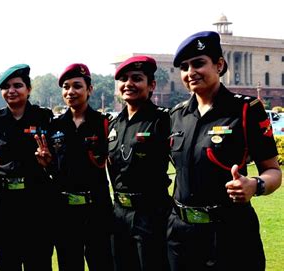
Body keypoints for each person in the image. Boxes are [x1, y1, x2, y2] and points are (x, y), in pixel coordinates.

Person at [168, 31, 282, 271]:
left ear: (219, 65)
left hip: (230, 234)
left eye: (199, 63)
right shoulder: (176, 116)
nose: (191, 72)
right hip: (181, 235)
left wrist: (255, 185)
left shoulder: (246, 110)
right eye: (185, 67)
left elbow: (273, 171)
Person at [0, 64, 54, 271]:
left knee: (38, 263)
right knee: (7, 263)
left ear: (29, 89)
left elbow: (58, 159)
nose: (11, 90)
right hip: (3, 205)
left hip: (36, 204)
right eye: (6, 86)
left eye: (17, 85)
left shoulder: (44, 118)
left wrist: (48, 160)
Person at [45, 63, 114, 270]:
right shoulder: (55, 126)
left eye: (77, 86)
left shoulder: (104, 123)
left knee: (102, 263)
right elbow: (54, 169)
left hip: (97, 209)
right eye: (66, 87)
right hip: (64, 212)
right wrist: (46, 163)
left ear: (89, 89)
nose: (70, 92)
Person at [107, 56, 172, 271]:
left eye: (137, 78)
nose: (129, 84)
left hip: (151, 214)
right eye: (124, 79)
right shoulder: (114, 124)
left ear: (151, 85)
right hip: (119, 214)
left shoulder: (163, 120)